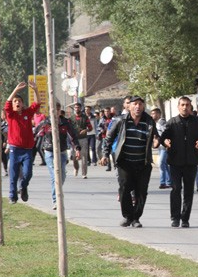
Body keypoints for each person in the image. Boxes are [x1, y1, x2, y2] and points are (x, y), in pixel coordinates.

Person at [100, 96, 159, 228]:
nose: (138, 107)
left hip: (142, 163)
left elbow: (155, 136)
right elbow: (109, 138)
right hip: (124, 162)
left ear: (143, 107)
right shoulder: (120, 120)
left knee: (141, 192)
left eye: (140, 104)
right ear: (129, 106)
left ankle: (136, 218)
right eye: (135, 104)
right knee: (124, 190)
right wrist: (105, 155)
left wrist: (157, 141)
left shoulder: (148, 121)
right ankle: (128, 216)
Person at [160, 97, 198, 228]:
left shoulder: (196, 122)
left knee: (188, 191)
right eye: (182, 105)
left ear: (191, 107)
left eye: (187, 105)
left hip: (191, 162)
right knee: (176, 189)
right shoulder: (172, 122)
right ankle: (175, 217)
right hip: (175, 162)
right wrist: (165, 142)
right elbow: (164, 137)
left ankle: (185, 218)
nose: (185, 107)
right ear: (178, 107)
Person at [35, 102, 81, 209]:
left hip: (62, 152)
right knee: (54, 175)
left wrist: (77, 148)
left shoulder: (65, 123)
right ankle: (56, 199)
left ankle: (58, 191)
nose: (55, 111)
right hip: (49, 152)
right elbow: (36, 133)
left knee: (62, 175)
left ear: (60, 111)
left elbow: (72, 136)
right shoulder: (46, 123)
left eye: (57, 109)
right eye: (53, 109)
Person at [5, 81, 40, 204]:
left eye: (19, 101)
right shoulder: (11, 115)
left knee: (28, 173)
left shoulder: (27, 113)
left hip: (27, 150)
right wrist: (15, 90)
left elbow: (37, 104)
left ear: (23, 104)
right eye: (15, 102)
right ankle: (12, 196)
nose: (17, 103)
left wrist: (35, 90)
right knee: (13, 175)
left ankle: (23, 187)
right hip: (15, 149)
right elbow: (7, 104)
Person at [150, 107, 171, 189]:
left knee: (161, 163)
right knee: (165, 165)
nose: (152, 115)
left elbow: (167, 133)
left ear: (159, 114)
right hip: (160, 147)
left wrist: (166, 143)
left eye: (154, 113)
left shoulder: (161, 122)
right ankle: (169, 181)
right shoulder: (155, 123)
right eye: (151, 113)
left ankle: (163, 182)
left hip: (164, 147)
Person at [71, 102, 92, 178]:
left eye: (78, 107)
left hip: (83, 139)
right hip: (74, 140)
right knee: (74, 156)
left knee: (84, 156)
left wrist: (85, 130)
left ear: (81, 108)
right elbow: (68, 128)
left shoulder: (85, 117)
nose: (77, 109)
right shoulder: (71, 118)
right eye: (75, 107)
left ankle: (84, 173)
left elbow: (90, 128)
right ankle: (76, 168)